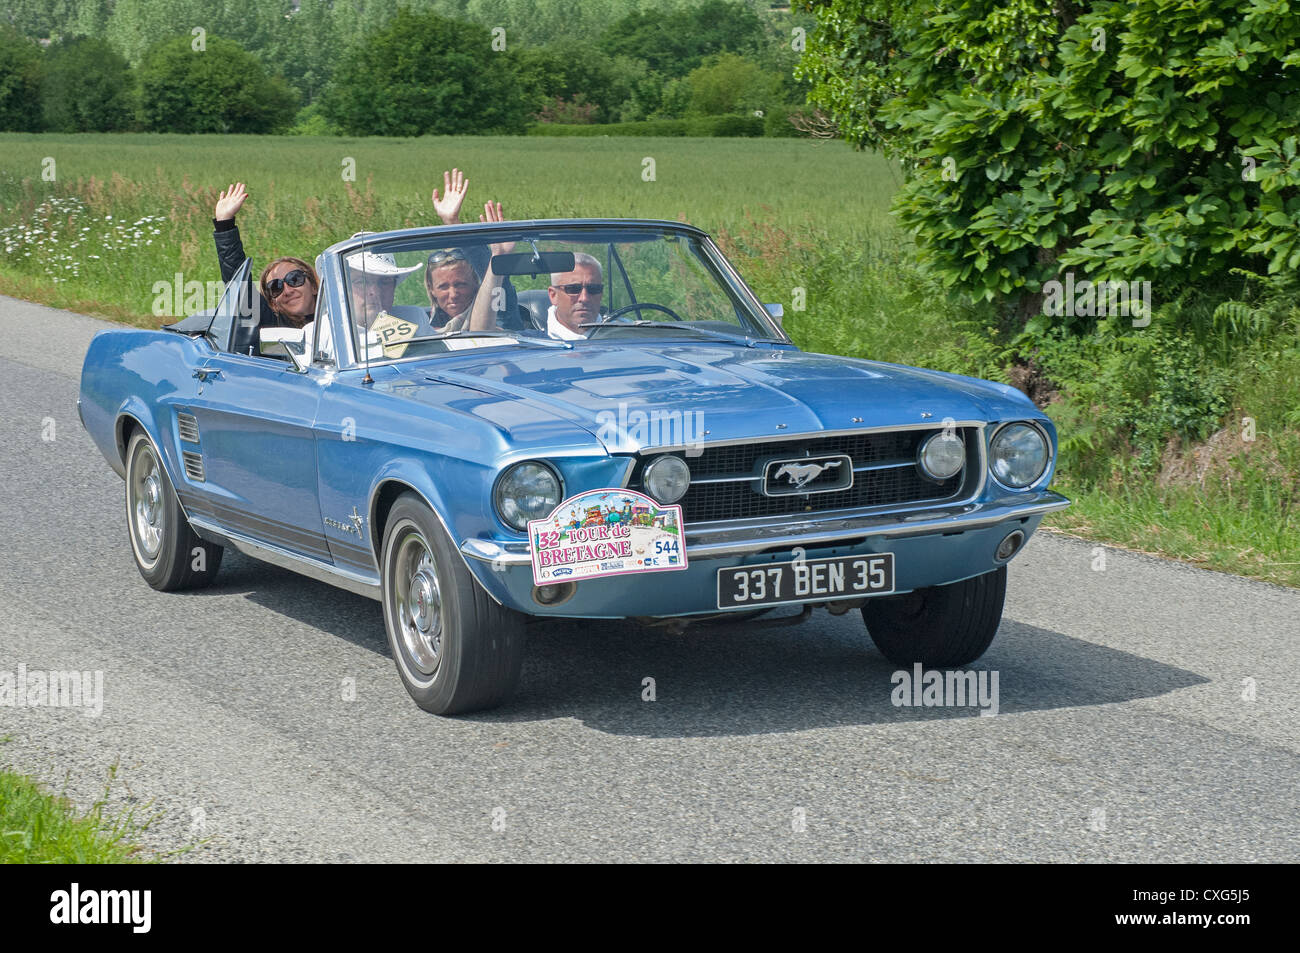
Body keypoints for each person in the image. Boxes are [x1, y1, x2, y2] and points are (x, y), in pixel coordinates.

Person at [212, 182, 318, 331]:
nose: (287, 290)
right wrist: (225, 224)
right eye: (276, 287)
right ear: (273, 304)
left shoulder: (342, 317)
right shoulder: (273, 326)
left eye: (294, 279)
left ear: (313, 286)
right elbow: (241, 290)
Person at [545, 252, 603, 340]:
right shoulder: (525, 344)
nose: (584, 298)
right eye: (573, 289)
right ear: (553, 295)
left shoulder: (625, 334)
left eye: (593, 288)